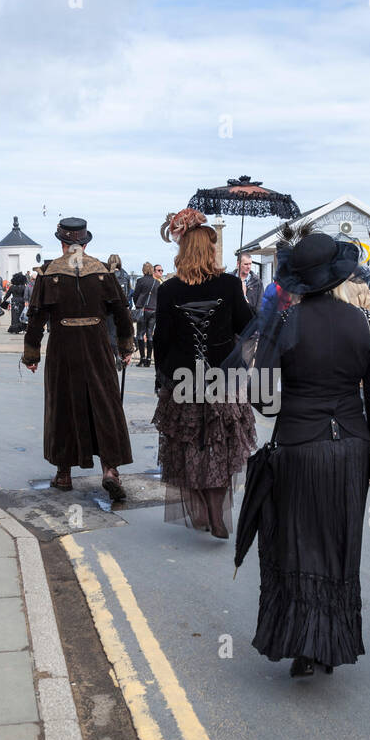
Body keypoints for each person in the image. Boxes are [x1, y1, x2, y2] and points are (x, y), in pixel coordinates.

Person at [244, 230, 370, 676]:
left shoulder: (285, 324)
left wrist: (294, 398)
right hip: (351, 446)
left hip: (299, 444)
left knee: (298, 543)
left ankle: (303, 645)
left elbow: (262, 398)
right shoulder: (363, 323)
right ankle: (330, 644)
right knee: (341, 544)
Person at [150, 209, 256, 538]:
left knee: (187, 446)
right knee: (220, 446)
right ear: (209, 250)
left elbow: (161, 340)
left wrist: (162, 377)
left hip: (183, 378)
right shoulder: (228, 283)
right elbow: (248, 326)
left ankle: (200, 506)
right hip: (224, 379)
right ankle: (216, 508)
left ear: (182, 250)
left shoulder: (169, 290)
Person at [21, 217, 135, 499]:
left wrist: (31, 353)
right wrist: (125, 347)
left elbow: (36, 316)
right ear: (85, 243)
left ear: (62, 243)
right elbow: (122, 312)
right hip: (97, 347)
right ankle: (110, 470)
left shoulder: (49, 273)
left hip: (63, 347)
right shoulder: (103, 271)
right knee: (105, 404)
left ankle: (63, 474)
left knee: (63, 406)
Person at [131, 262, 160, 367]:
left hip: (143, 309)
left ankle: (142, 358)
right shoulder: (157, 283)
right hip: (153, 310)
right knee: (149, 334)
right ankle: (149, 359)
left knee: (140, 334)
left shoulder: (140, 281)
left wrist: (137, 305)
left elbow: (135, 295)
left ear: (143, 270)